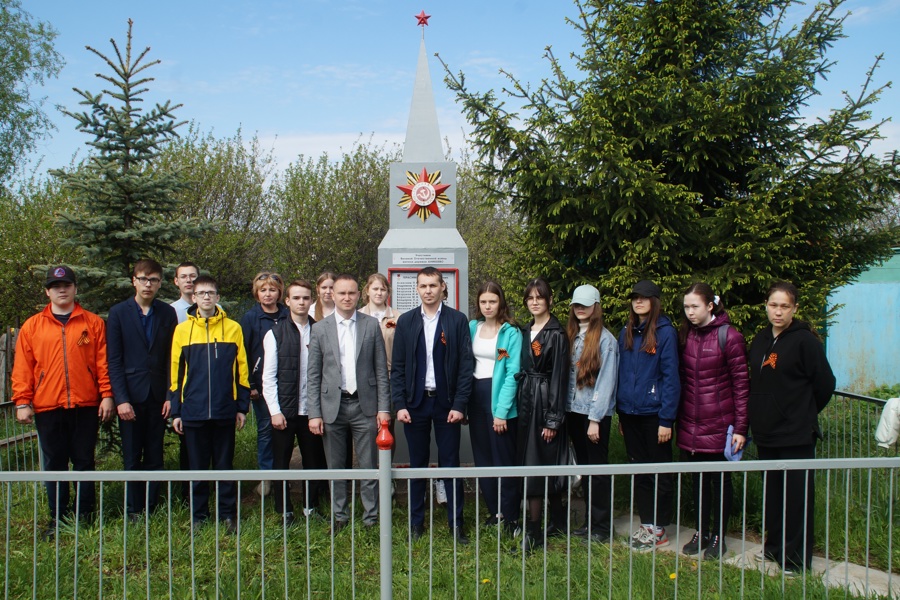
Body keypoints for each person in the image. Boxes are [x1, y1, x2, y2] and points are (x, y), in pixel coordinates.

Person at [12, 266, 115, 539]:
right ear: (48, 291)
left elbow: (103, 363)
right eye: (56, 286)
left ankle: (85, 517)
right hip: (48, 407)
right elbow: (23, 367)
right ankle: (57, 519)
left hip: (86, 405)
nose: (62, 289)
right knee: (54, 464)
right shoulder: (32, 326)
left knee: (84, 462)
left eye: (66, 284)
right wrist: (22, 401)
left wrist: (107, 395)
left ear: (75, 288)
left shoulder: (92, 323)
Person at [748, 281, 835, 573]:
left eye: (785, 306)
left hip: (796, 434)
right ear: (766, 305)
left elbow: (825, 384)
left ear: (794, 308)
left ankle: (796, 560)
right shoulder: (760, 339)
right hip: (767, 434)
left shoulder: (805, 342)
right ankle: (774, 549)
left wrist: (802, 413)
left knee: (797, 499)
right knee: (773, 496)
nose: (778, 311)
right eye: (773, 305)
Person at [391, 267, 474, 544]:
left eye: (433, 285)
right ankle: (416, 524)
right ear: (417, 289)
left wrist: (460, 404)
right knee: (417, 465)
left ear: (442, 288)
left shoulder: (457, 321)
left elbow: (465, 366)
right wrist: (399, 403)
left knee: (450, 465)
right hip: (415, 404)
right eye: (423, 286)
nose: (428, 290)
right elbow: (399, 367)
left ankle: (455, 524)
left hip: (446, 405)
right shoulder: (406, 321)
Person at [307, 274, 391, 529]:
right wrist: (314, 413)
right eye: (341, 293)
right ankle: (340, 517)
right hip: (332, 406)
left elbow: (380, 370)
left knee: (369, 466)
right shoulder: (320, 328)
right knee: (336, 467)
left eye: (351, 293)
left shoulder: (370, 325)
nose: (346, 297)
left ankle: (371, 518)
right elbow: (313, 374)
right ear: (332, 295)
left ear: (359, 295)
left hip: (365, 407)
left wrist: (384, 408)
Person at [170, 275, 251, 533]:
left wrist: (241, 406)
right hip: (193, 411)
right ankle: (199, 516)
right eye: (201, 293)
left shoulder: (233, 328)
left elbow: (242, 370)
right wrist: (176, 410)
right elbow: (175, 373)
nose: (206, 297)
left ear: (217, 297)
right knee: (197, 467)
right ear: (193, 298)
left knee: (225, 466)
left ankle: (227, 515)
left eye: (211, 293)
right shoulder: (182, 330)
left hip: (224, 410)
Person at [676, 282, 749, 559]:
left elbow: (741, 385)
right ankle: (701, 532)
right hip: (691, 424)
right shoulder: (687, 335)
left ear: (710, 305)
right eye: (686, 307)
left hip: (720, 425)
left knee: (720, 481)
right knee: (698, 482)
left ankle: (719, 536)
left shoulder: (729, 336)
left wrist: (741, 428)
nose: (690, 312)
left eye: (695, 306)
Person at [106, 259, 178, 521]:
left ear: (160, 283)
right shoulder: (119, 313)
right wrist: (121, 399)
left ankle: (152, 506)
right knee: (132, 456)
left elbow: (173, 356)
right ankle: (133, 509)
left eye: (154, 280)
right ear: (134, 281)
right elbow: (114, 359)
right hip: (131, 398)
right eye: (143, 278)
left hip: (159, 397)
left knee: (155, 454)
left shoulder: (166, 313)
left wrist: (171, 395)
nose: (148, 284)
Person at [617, 279, 680, 552]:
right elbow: (621, 372)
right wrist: (621, 412)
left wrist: (667, 419)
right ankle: (646, 524)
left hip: (655, 415)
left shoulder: (665, 333)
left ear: (654, 301)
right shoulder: (626, 332)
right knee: (640, 470)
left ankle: (660, 527)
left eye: (643, 297)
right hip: (630, 413)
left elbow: (671, 377)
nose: (638, 302)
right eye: (634, 298)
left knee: (660, 471)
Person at [261, 279, 328, 523]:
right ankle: (284, 510)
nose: (301, 302)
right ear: (287, 301)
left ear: (312, 301)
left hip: (311, 412)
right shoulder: (275, 333)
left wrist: (318, 411)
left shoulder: (321, 330)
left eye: (306, 298)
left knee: (313, 462)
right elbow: (268, 377)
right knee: (281, 462)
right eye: (296, 298)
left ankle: (310, 508)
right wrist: (275, 411)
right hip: (285, 412)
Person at [517, 278, 570, 551]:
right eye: (530, 298)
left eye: (539, 297)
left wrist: (553, 419)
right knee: (534, 460)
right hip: (527, 400)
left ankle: (534, 530)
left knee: (537, 463)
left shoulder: (556, 333)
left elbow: (560, 378)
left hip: (545, 401)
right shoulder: (526, 329)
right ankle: (558, 521)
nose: (534, 302)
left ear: (549, 300)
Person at [468, 281, 522, 535]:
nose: (487, 306)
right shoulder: (472, 328)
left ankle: (512, 516)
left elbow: (512, 373)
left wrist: (501, 412)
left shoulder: (510, 333)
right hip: (475, 397)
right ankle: (495, 512)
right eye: (483, 302)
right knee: (483, 458)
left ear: (500, 302)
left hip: (498, 398)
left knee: (503, 458)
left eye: (492, 301)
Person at [565, 284, 618, 544]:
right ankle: (588, 522)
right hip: (573, 412)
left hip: (593, 415)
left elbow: (606, 383)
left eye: (585, 305)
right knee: (585, 470)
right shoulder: (571, 335)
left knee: (597, 471)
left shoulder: (606, 340)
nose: (580, 309)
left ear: (596, 306)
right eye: (577, 305)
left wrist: (595, 420)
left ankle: (601, 526)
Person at [240, 271, 288, 495]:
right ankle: (267, 476)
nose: (267, 294)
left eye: (272, 290)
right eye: (263, 290)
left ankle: (285, 475)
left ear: (280, 292)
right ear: (256, 293)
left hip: (288, 383)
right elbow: (245, 352)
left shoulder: (287, 314)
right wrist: (251, 384)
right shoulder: (251, 318)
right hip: (261, 386)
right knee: (266, 429)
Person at [359, 273, 404, 371]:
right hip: (365, 374)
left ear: (388, 292)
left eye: (383, 289)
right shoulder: (358, 316)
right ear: (367, 291)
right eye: (375, 289)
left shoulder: (398, 318)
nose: (379, 293)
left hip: (390, 373)